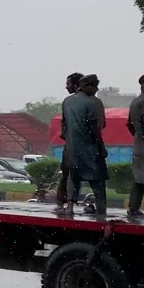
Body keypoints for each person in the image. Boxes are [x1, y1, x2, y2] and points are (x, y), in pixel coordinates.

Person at [58, 74, 108, 216]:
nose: (97, 89)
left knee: (74, 177)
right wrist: (101, 147)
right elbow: (96, 127)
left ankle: (69, 207)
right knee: (98, 179)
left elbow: (64, 126)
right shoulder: (93, 103)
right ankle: (101, 209)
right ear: (88, 86)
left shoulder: (67, 101)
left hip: (72, 147)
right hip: (89, 147)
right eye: (95, 86)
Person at [54, 72, 83, 208]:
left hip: (71, 144)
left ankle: (63, 201)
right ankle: (70, 201)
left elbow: (64, 125)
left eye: (68, 84)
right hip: (83, 144)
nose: (66, 87)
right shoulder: (89, 101)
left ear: (76, 84)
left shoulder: (69, 102)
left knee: (67, 173)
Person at [127, 73, 144, 219]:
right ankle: (133, 209)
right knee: (140, 178)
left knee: (141, 178)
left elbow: (130, 124)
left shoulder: (138, 102)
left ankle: (134, 208)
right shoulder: (143, 102)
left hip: (141, 143)